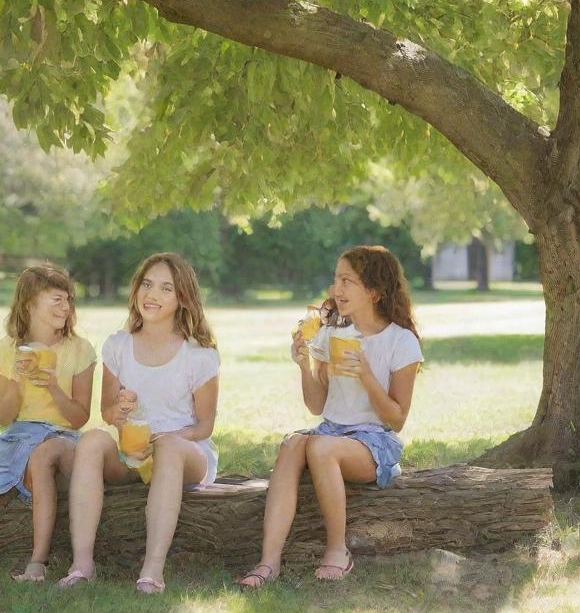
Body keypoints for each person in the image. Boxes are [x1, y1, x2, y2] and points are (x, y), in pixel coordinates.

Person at [238, 245, 423, 587]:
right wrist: (304, 365)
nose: (336, 290)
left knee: (320, 447)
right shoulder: (331, 334)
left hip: (373, 441)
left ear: (375, 290)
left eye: (347, 281)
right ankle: (268, 561)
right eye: (336, 279)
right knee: (293, 444)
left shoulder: (401, 342)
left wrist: (366, 376)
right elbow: (316, 405)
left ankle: (338, 550)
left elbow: (397, 419)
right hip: (331, 429)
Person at [58, 252, 221, 594]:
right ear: (136, 290)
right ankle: (82, 564)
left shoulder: (199, 355)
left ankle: (152, 571)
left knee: (169, 448)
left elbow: (204, 426)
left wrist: (167, 438)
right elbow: (106, 411)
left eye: (166, 288)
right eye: (147, 284)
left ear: (182, 299)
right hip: (131, 451)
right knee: (89, 442)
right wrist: (115, 413)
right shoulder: (118, 346)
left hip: (184, 452)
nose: (153, 295)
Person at [0, 264, 96, 583]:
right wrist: (20, 383)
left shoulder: (80, 350)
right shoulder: (7, 350)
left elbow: (80, 417)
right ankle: (19, 486)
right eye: (56, 299)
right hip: (20, 432)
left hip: (63, 436)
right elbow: (2, 416)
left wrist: (52, 385)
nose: (66, 307)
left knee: (39, 460)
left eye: (68, 300)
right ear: (30, 304)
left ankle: (37, 562)